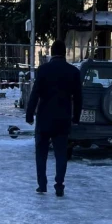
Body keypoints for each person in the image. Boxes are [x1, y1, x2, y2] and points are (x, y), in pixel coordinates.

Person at [25, 40, 82, 197]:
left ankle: (42, 185)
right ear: (65, 52)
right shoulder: (73, 72)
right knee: (61, 154)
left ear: (52, 52)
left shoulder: (43, 70)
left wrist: (29, 114)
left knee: (41, 153)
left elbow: (35, 93)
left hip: (44, 118)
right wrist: (76, 117)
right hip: (63, 118)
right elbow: (78, 98)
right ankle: (59, 185)